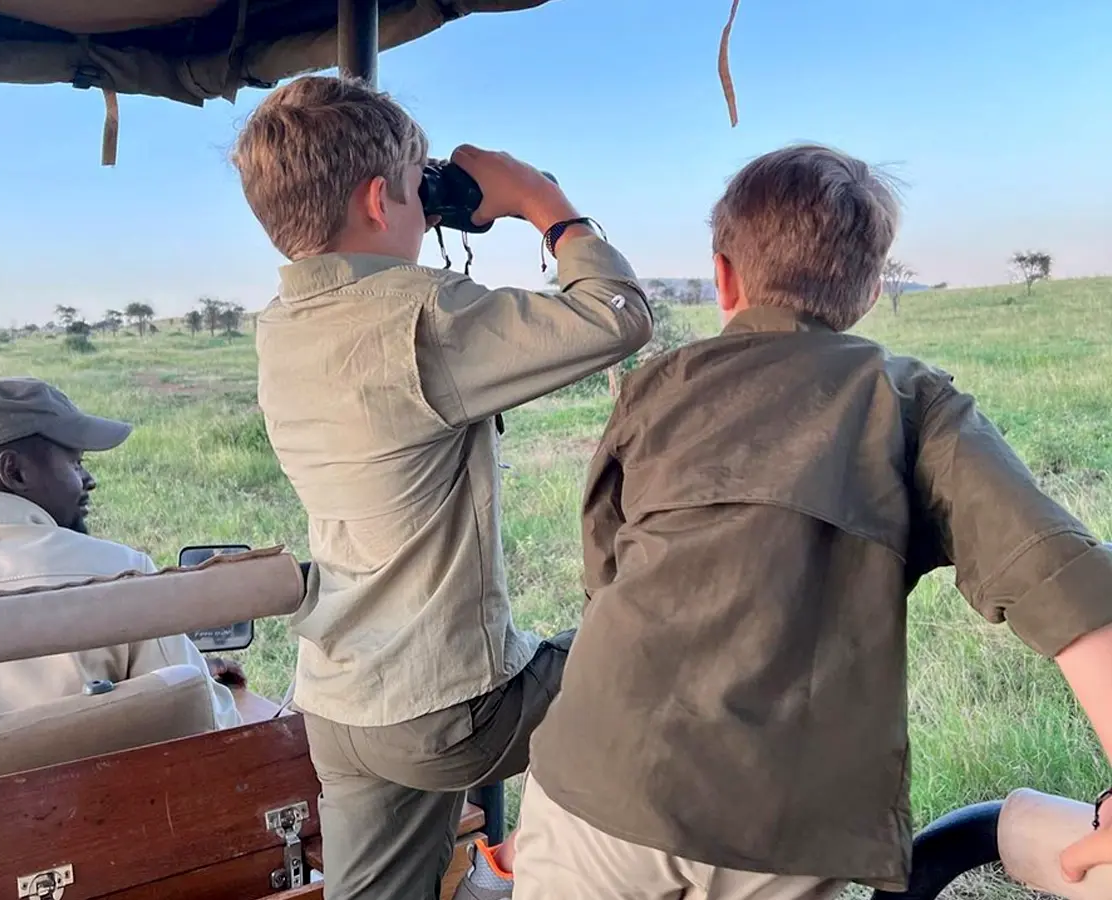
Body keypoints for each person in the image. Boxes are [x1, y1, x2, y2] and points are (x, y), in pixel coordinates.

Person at [511, 144, 1112, 900]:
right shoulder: (909, 400)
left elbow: (606, 575)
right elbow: (1058, 575)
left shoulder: (654, 386)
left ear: (723, 275)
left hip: (595, 776)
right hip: (779, 825)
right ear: (867, 291)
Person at [231, 74, 652, 900]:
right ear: (381, 199)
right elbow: (618, 312)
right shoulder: (423, 314)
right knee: (658, 653)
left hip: (341, 700)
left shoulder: (281, 325)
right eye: (420, 191)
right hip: (452, 711)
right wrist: (541, 199)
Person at [0, 376, 259, 734]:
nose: (88, 479)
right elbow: (208, 725)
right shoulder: (122, 573)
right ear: (14, 472)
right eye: (75, 463)